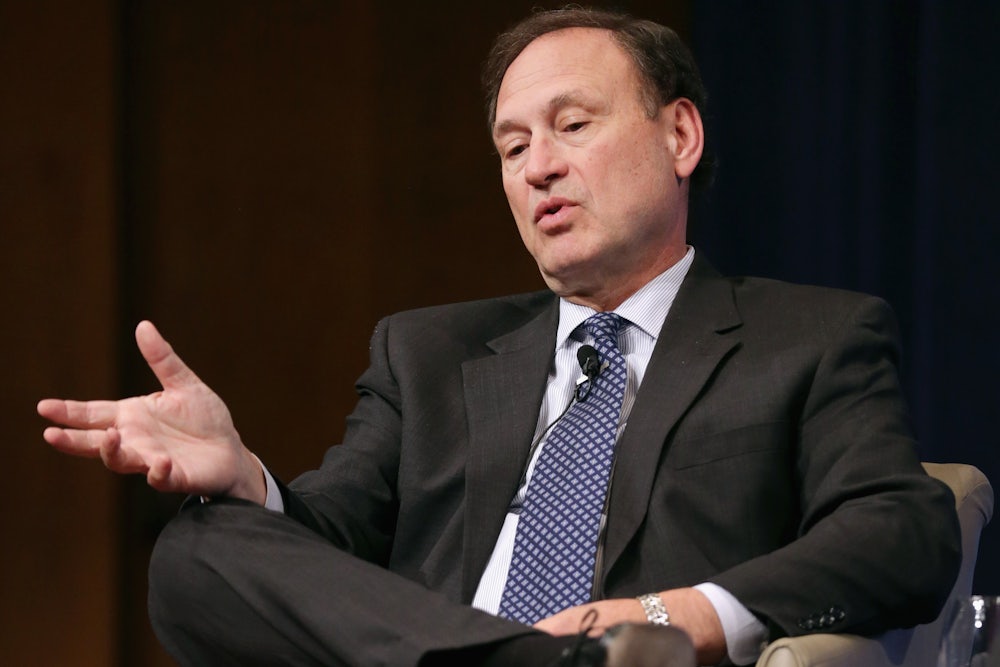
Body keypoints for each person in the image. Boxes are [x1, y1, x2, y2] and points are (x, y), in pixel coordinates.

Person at [37, 7, 961, 667]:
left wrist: (675, 616)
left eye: (571, 125)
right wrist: (248, 483)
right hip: (453, 651)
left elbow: (903, 532)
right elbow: (330, 547)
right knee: (199, 551)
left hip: (649, 650)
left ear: (680, 135)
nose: (539, 168)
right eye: (513, 149)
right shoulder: (426, 353)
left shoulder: (810, 335)